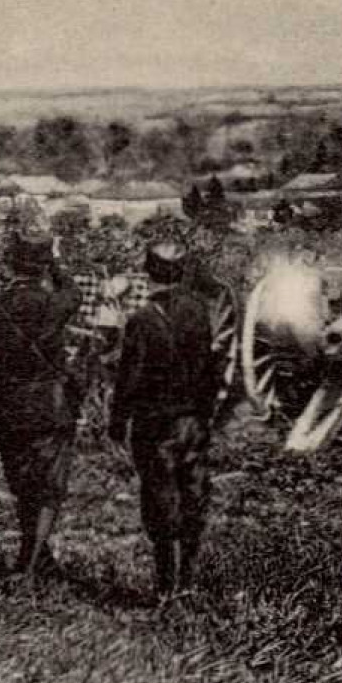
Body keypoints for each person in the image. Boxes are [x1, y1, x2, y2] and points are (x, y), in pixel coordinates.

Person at [0, 235, 83, 578]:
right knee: (48, 486)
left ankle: (37, 556)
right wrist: (55, 263)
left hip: (9, 406)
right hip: (50, 404)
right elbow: (75, 291)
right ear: (43, 266)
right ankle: (29, 567)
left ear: (9, 264)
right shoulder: (54, 303)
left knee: (22, 483)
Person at [108, 241, 220, 600]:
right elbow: (210, 368)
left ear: (149, 272)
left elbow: (129, 377)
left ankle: (165, 585)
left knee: (159, 498)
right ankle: (187, 580)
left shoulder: (142, 320)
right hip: (193, 420)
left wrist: (117, 419)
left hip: (155, 423)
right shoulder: (198, 312)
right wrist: (206, 413)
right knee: (193, 497)